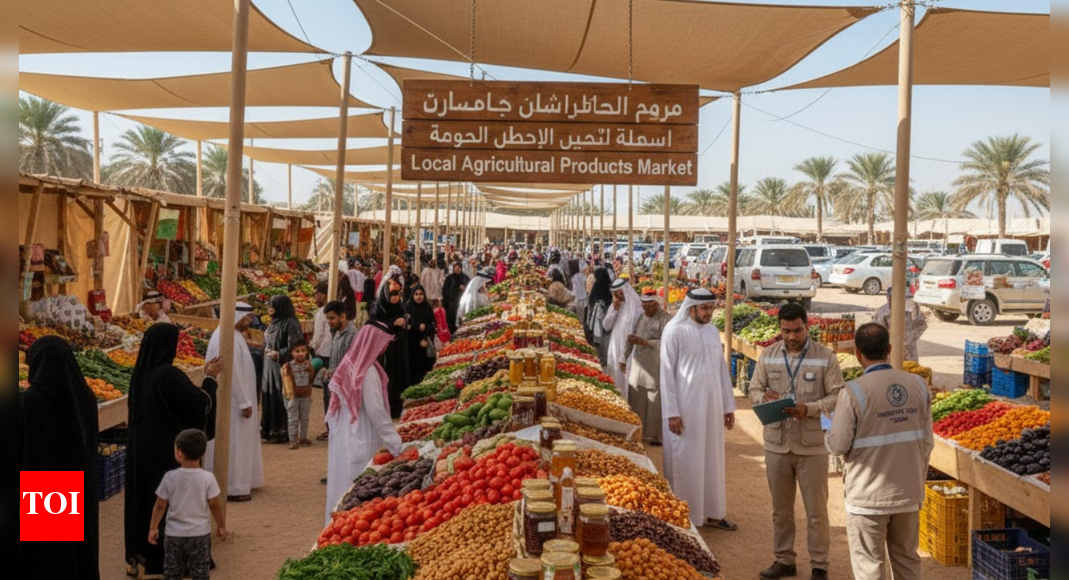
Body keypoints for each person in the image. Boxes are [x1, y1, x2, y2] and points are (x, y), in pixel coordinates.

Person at [827, 323, 934, 580]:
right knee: (907, 561)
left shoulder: (852, 392)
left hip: (868, 497)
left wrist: (827, 432)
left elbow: (838, 445)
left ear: (857, 353)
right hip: (908, 493)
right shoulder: (918, 385)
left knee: (870, 567)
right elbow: (927, 441)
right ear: (889, 349)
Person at [748, 303, 844, 580]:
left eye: (797, 330)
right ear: (780, 328)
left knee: (817, 512)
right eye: (786, 331)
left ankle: (820, 565)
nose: (791, 336)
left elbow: (838, 396)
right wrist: (761, 398)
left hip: (811, 446)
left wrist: (810, 408)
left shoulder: (826, 357)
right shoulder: (767, 355)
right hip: (777, 443)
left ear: (807, 327)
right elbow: (754, 388)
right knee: (781, 511)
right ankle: (784, 559)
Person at [125, 324, 223, 577]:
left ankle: (143, 553)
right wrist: (210, 379)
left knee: (148, 499)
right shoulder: (167, 375)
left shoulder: (141, 375)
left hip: (144, 451)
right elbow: (198, 403)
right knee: (169, 501)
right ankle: (173, 558)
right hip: (165, 451)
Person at [19, 337, 101, 580]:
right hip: (79, 483)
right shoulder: (85, 397)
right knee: (77, 552)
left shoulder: (31, 401)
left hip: (45, 489)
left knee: (49, 557)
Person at [659, 288, 738, 531]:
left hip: (711, 409)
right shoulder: (674, 331)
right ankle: (686, 516)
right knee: (687, 460)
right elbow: (666, 375)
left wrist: (727, 406)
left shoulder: (713, 332)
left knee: (712, 459)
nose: (708, 313)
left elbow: (721, 371)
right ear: (691, 307)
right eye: (704, 308)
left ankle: (713, 513)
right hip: (685, 409)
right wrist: (672, 412)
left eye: (711, 308)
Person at [324, 320, 404, 523]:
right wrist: (395, 442)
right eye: (383, 343)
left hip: (346, 435)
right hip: (361, 435)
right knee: (358, 490)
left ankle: (341, 525)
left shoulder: (351, 363)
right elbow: (376, 409)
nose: (385, 348)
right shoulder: (367, 371)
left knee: (345, 487)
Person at [204, 303, 264, 503]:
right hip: (231, 403)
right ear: (237, 316)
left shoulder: (233, 334)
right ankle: (233, 486)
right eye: (247, 318)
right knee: (234, 443)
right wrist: (243, 402)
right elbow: (232, 373)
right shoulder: (225, 336)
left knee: (241, 442)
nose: (249, 322)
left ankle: (242, 482)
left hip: (239, 399)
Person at [149, 430, 227, 580]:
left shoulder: (169, 477)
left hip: (174, 535)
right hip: (199, 534)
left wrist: (153, 527)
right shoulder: (208, 478)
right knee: (200, 573)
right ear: (202, 453)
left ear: (179, 453)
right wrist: (221, 525)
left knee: (172, 573)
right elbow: (215, 505)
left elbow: (160, 505)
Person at [623, 289, 672, 446]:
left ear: (656, 304)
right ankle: (638, 432)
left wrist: (646, 342)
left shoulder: (666, 320)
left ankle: (655, 436)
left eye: (649, 307)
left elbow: (667, 344)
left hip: (655, 365)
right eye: (644, 306)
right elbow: (631, 338)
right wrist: (623, 357)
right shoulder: (639, 317)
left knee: (654, 401)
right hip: (639, 365)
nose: (646, 310)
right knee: (636, 397)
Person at [262, 295, 305, 444]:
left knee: (282, 398)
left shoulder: (291, 323)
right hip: (270, 366)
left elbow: (297, 344)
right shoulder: (273, 323)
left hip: (283, 367)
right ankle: (270, 430)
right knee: (271, 396)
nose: (270, 307)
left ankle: (283, 431)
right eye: (269, 304)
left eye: (274, 304)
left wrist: (278, 353)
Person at [370, 269, 412, 419]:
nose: (395, 298)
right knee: (388, 378)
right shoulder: (378, 308)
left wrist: (406, 322)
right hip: (385, 351)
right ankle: (386, 408)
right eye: (393, 295)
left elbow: (405, 316)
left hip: (399, 348)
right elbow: (373, 325)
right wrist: (392, 323)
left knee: (399, 377)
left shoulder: (399, 306)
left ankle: (397, 408)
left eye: (398, 295)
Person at [316, 301, 359, 443]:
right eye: (327, 318)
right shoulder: (336, 332)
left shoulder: (352, 335)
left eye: (332, 318)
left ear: (342, 316)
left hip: (346, 387)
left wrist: (334, 371)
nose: (329, 322)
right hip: (334, 383)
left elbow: (351, 362)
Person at [603, 278, 642, 399]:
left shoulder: (636, 307)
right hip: (615, 346)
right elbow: (606, 326)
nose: (619, 296)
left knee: (628, 377)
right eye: (616, 294)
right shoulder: (614, 306)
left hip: (629, 348)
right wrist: (614, 310)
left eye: (621, 293)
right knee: (615, 375)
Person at [873, 287, 928, 363]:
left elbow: (921, 325)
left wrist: (910, 339)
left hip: (909, 351)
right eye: (890, 299)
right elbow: (877, 332)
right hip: (890, 349)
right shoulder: (882, 312)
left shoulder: (911, 308)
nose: (891, 301)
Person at [283, 341, 315, 450]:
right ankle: (292, 440)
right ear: (292, 353)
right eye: (297, 351)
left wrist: (310, 370)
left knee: (305, 418)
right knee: (293, 418)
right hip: (293, 397)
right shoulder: (287, 366)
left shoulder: (309, 365)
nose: (300, 353)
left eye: (303, 351)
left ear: (307, 352)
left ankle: (303, 437)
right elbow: (285, 381)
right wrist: (288, 397)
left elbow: (311, 379)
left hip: (305, 396)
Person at [405, 284, 438, 385]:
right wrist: (419, 337)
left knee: (427, 369)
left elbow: (433, 323)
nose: (419, 296)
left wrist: (426, 330)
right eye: (416, 294)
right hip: (413, 345)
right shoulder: (408, 308)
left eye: (421, 294)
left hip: (426, 343)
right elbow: (407, 327)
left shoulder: (427, 307)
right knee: (415, 370)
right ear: (412, 295)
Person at [586, 268, 613, 365]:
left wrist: (589, 323)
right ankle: (606, 361)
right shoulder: (610, 287)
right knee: (606, 341)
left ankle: (601, 361)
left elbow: (590, 304)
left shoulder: (596, 287)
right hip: (608, 321)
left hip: (597, 320)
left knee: (599, 342)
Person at [442, 262, 470, 335]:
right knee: (451, 321)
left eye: (459, 268)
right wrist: (445, 304)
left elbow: (470, 289)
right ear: (453, 268)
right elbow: (445, 291)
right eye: (456, 268)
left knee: (462, 320)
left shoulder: (466, 278)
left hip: (462, 304)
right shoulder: (449, 278)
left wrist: (464, 288)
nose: (457, 270)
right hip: (451, 305)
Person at [310, 283, 333, 368]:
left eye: (315, 295)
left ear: (323, 296)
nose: (314, 298)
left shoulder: (321, 311)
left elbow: (319, 334)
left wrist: (312, 346)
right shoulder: (335, 309)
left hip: (323, 352)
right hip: (332, 351)